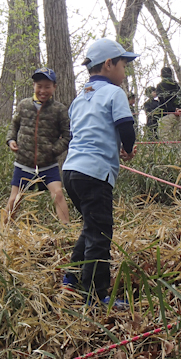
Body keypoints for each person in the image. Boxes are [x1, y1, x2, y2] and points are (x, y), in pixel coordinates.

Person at [62, 38, 138, 308]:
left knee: (91, 226)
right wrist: (128, 148)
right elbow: (126, 126)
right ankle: (96, 294)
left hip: (71, 172)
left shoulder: (79, 98)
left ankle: (71, 278)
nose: (124, 72)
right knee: (101, 234)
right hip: (95, 174)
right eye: (123, 65)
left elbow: (75, 134)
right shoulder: (115, 93)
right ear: (108, 64)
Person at [5, 67, 71, 224]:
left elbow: (68, 135)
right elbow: (14, 125)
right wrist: (10, 140)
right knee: (15, 198)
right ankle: (2, 231)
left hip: (48, 164)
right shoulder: (24, 105)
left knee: (58, 194)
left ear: (54, 87)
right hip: (24, 162)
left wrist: (53, 150)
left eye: (47, 87)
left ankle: (67, 230)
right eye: (39, 86)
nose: (43, 90)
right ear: (33, 86)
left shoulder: (59, 110)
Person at [156, 66, 181, 141]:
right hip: (178, 115)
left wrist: (173, 109)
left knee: (165, 139)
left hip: (166, 115)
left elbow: (162, 100)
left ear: (161, 75)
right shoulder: (177, 85)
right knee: (175, 140)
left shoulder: (160, 86)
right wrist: (179, 109)